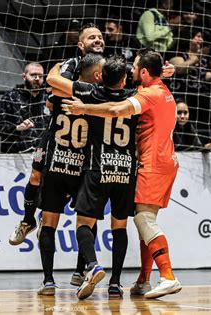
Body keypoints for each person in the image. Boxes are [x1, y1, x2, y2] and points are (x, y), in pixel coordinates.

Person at [63, 48, 181, 299]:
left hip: (152, 163)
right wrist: (167, 71)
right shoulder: (159, 89)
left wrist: (83, 108)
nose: (132, 70)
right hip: (162, 161)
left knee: (144, 221)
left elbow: (117, 110)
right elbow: (135, 83)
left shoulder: (148, 94)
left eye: (136, 67)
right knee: (143, 220)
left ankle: (168, 276)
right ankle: (143, 281)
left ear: (145, 72)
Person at [48, 54, 138, 299]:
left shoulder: (91, 92)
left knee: (83, 224)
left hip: (98, 169)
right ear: (123, 79)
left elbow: (54, 80)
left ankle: (93, 265)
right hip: (126, 170)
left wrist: (61, 64)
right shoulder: (136, 95)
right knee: (119, 226)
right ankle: (116, 283)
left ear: (101, 76)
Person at [32, 53, 105, 296]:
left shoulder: (59, 92)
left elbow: (52, 83)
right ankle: (87, 267)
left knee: (49, 223)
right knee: (85, 223)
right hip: (83, 166)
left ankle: (48, 282)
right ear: (95, 74)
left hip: (57, 164)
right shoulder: (97, 95)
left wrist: (57, 66)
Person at [0, 62, 49, 154]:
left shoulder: (48, 99)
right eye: (33, 75)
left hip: (41, 155)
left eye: (40, 76)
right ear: (24, 77)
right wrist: (17, 128)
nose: (37, 78)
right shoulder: (10, 97)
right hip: (14, 156)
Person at [170, 26, 211, 93]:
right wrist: (198, 57)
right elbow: (180, 69)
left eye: (201, 37)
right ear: (188, 38)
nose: (201, 40)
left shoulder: (203, 58)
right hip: (180, 91)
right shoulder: (178, 53)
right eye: (198, 37)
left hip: (200, 92)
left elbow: (203, 75)